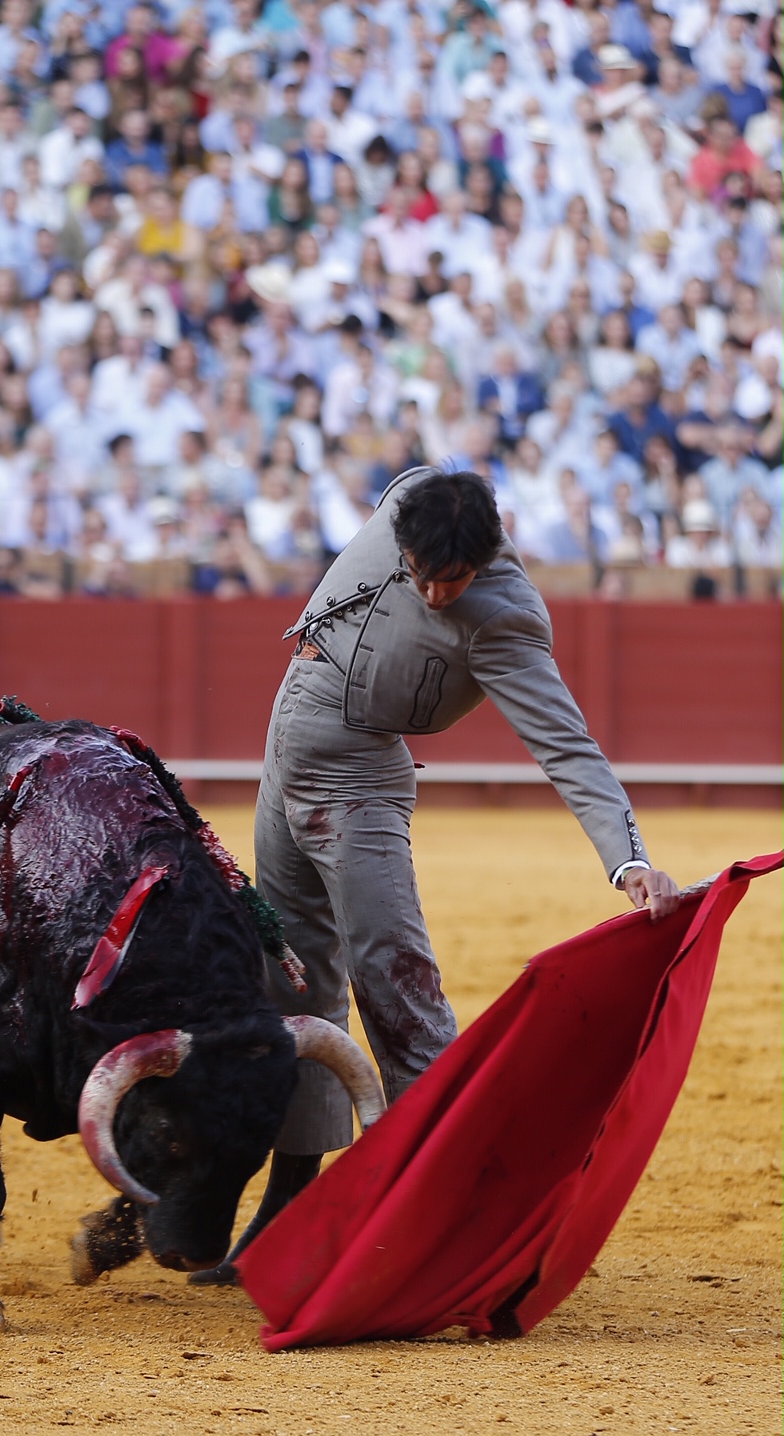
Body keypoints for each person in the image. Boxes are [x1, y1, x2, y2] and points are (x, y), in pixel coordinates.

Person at [191, 468, 681, 1286]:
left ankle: (464, 1223)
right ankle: (288, 1210)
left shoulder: (506, 619)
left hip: (359, 789)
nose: (431, 590)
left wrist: (627, 856)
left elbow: (568, 747)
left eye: (448, 580)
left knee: (398, 987)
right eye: (419, 570)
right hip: (282, 766)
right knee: (291, 983)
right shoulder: (410, 496)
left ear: (485, 560)